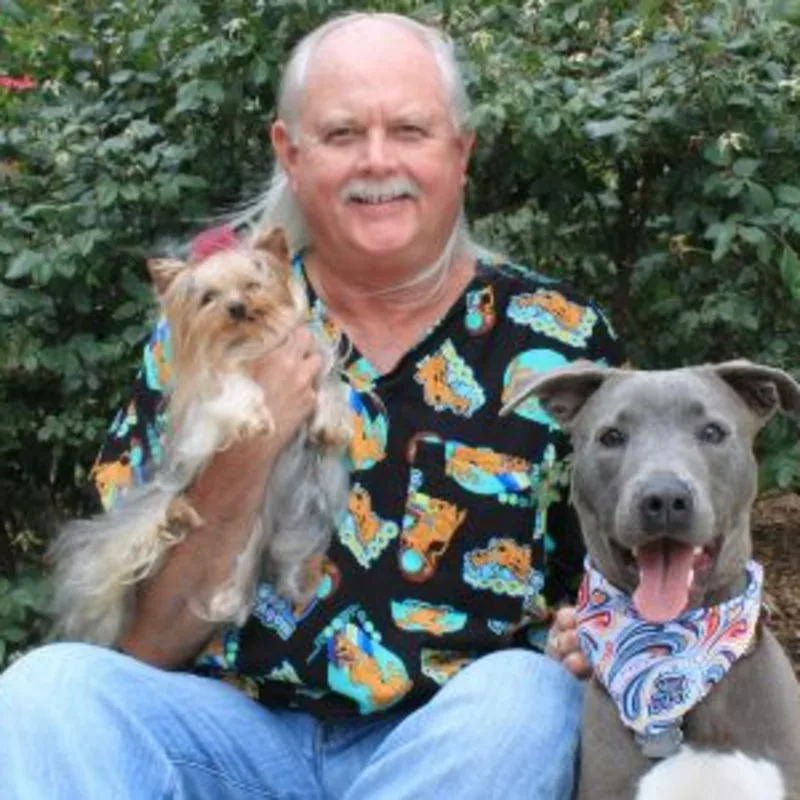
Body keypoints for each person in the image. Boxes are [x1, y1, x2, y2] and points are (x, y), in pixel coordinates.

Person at [0, 12, 623, 800]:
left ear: (461, 152)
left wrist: (587, 632)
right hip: (228, 738)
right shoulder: (205, 330)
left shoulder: (557, 340)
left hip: (450, 746)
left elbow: (613, 578)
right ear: (289, 154)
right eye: (341, 133)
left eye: (408, 129)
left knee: (529, 696)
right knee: (49, 690)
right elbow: (145, 644)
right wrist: (247, 450)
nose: (377, 160)